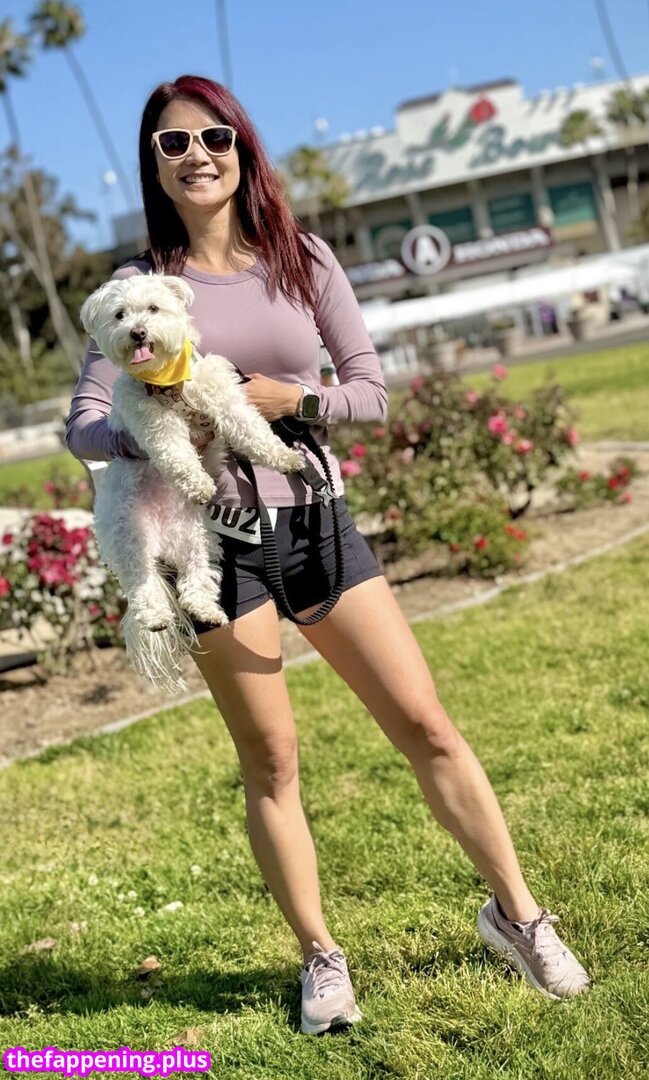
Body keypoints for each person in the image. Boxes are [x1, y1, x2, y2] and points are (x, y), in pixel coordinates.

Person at [65, 75, 592, 1036]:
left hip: (317, 527)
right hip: (217, 548)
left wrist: (288, 400)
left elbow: (369, 392)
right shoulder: (138, 292)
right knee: (271, 760)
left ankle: (518, 917)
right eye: (172, 144)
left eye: (213, 137)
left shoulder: (301, 258)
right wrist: (156, 423)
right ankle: (320, 957)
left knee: (426, 724)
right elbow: (85, 425)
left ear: (241, 147)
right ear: (155, 166)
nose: (196, 156)